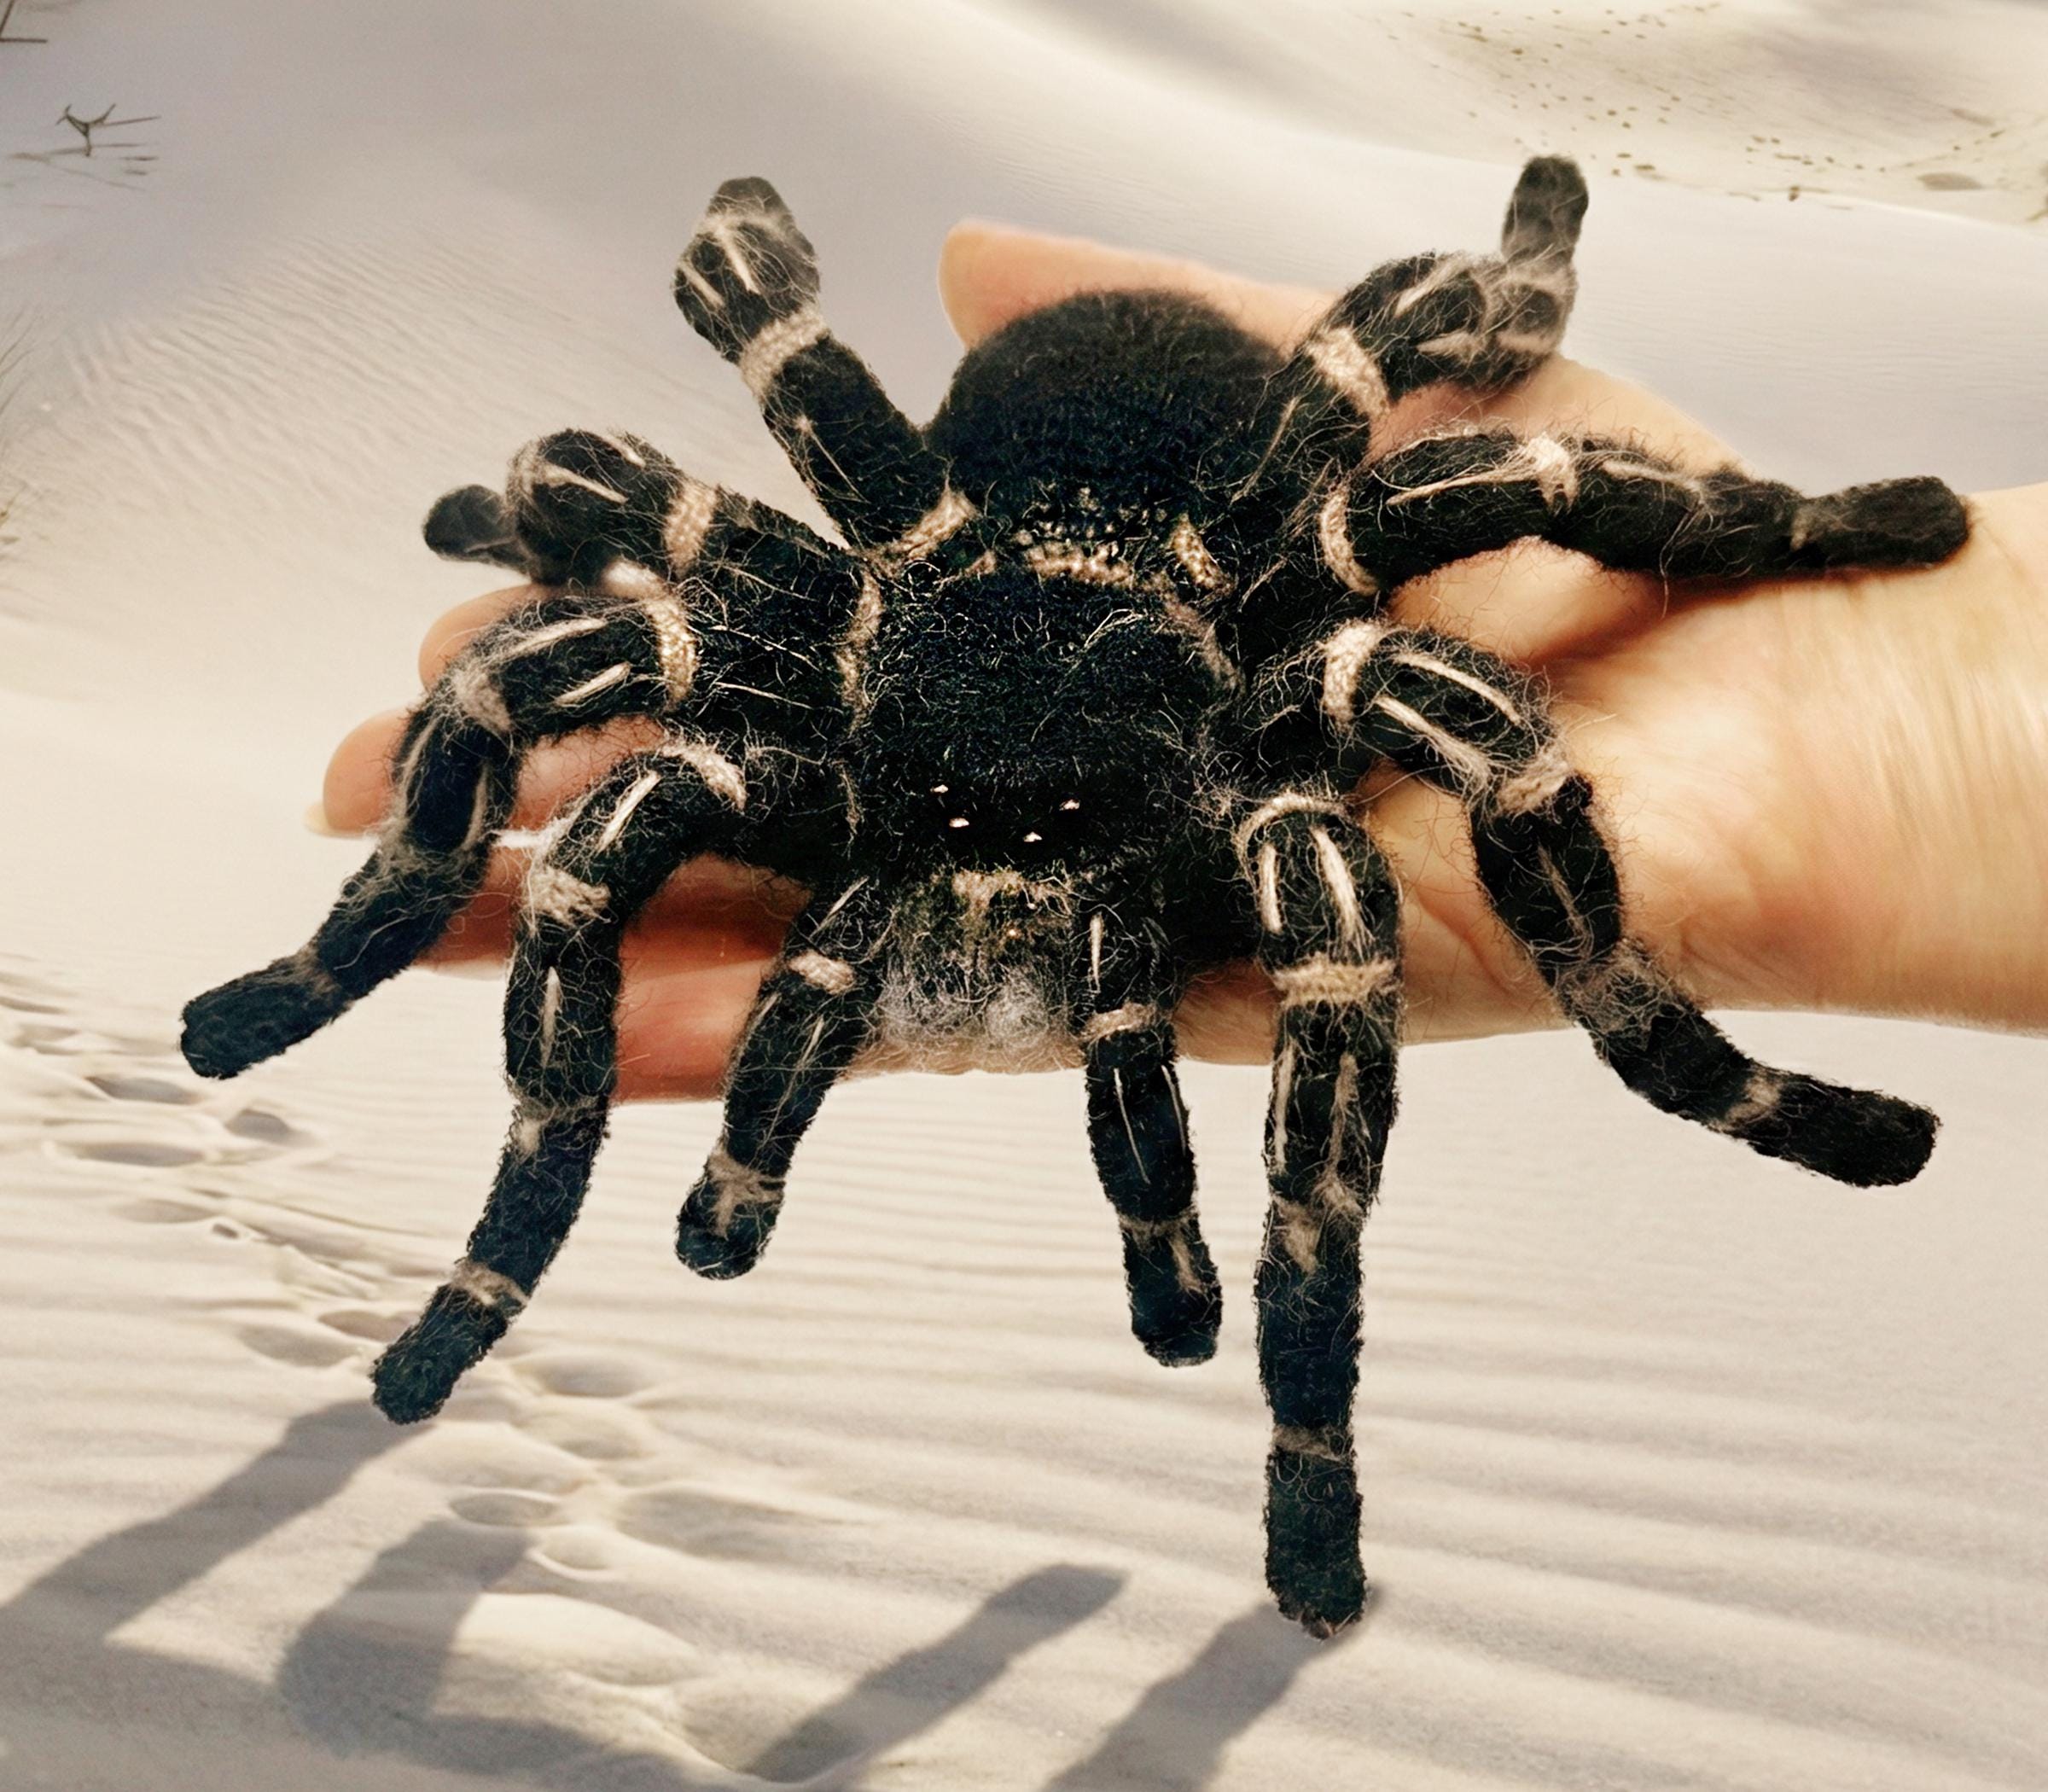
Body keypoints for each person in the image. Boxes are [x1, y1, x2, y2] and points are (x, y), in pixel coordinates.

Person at [316, 223, 2048, 1101]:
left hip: (1187, 547)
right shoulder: (871, 596)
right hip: (959, 552)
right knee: (692, 480)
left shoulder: (1278, 605)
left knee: (1490, 462)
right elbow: (704, 380)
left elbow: (1521, 472)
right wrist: (547, 522)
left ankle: (1679, 427)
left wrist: (1859, 602)